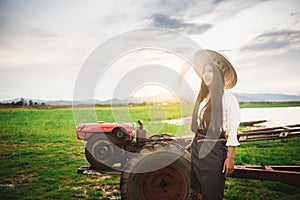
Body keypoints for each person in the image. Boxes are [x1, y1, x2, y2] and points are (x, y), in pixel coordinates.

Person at [189, 49, 240, 200]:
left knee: (212, 192)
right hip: (197, 148)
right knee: (196, 190)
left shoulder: (228, 99)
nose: (205, 75)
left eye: (210, 71)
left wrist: (230, 158)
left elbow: (232, 130)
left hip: (214, 150)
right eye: (204, 71)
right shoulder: (202, 98)